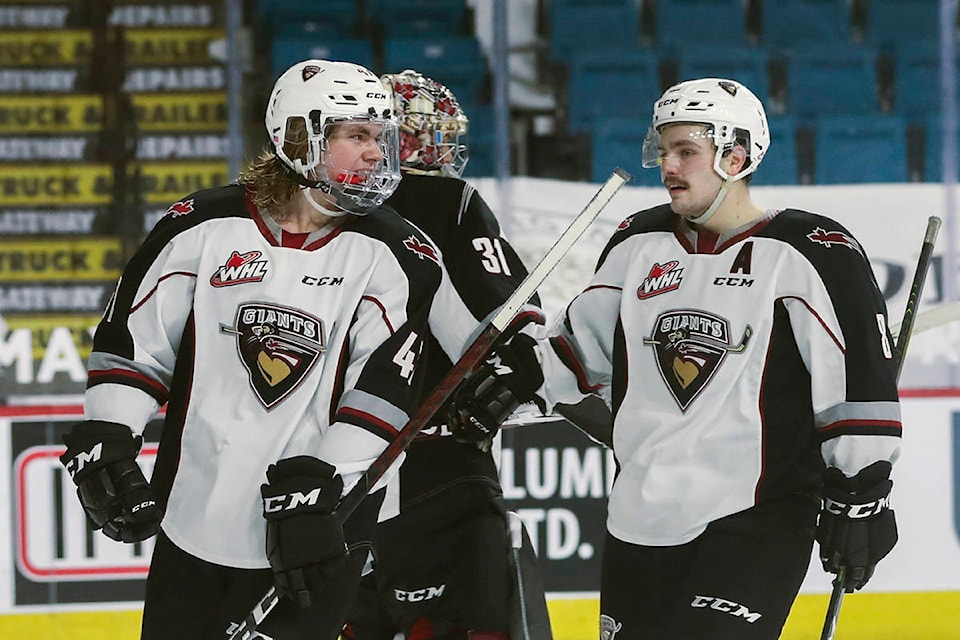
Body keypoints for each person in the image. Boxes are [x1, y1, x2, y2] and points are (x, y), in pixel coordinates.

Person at [449, 77, 902, 639]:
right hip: (639, 516)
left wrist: (860, 496)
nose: (668, 165)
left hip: (754, 514)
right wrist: (516, 379)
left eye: (687, 151)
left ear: (736, 155)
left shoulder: (809, 251)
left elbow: (855, 386)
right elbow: (578, 355)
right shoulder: (638, 241)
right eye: (663, 150)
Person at [57, 59, 445, 640]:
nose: (377, 153)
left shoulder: (399, 252)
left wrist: (324, 481)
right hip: (192, 516)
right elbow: (132, 346)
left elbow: (385, 392)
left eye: (381, 138)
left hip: (316, 526)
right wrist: (111, 432)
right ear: (299, 134)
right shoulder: (202, 225)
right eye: (357, 135)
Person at [341, 69, 552, 640]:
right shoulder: (447, 199)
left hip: (336, 474)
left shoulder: (318, 211)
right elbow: (511, 321)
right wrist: (518, 370)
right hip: (440, 467)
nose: (440, 147)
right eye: (427, 132)